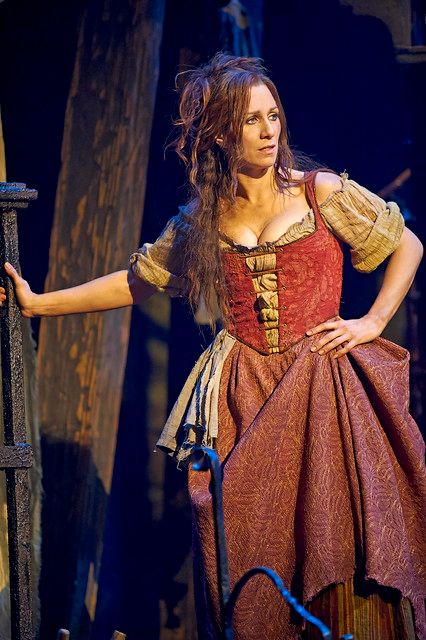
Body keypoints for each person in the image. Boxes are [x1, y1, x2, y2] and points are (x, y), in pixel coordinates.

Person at [1, 54, 425, 639]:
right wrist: (38, 303)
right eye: (253, 121)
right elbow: (136, 283)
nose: (270, 131)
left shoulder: (320, 193)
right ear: (224, 134)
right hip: (242, 393)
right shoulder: (203, 219)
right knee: (244, 538)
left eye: (274, 116)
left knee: (335, 532)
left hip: (323, 387)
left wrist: (373, 321)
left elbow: (407, 243)